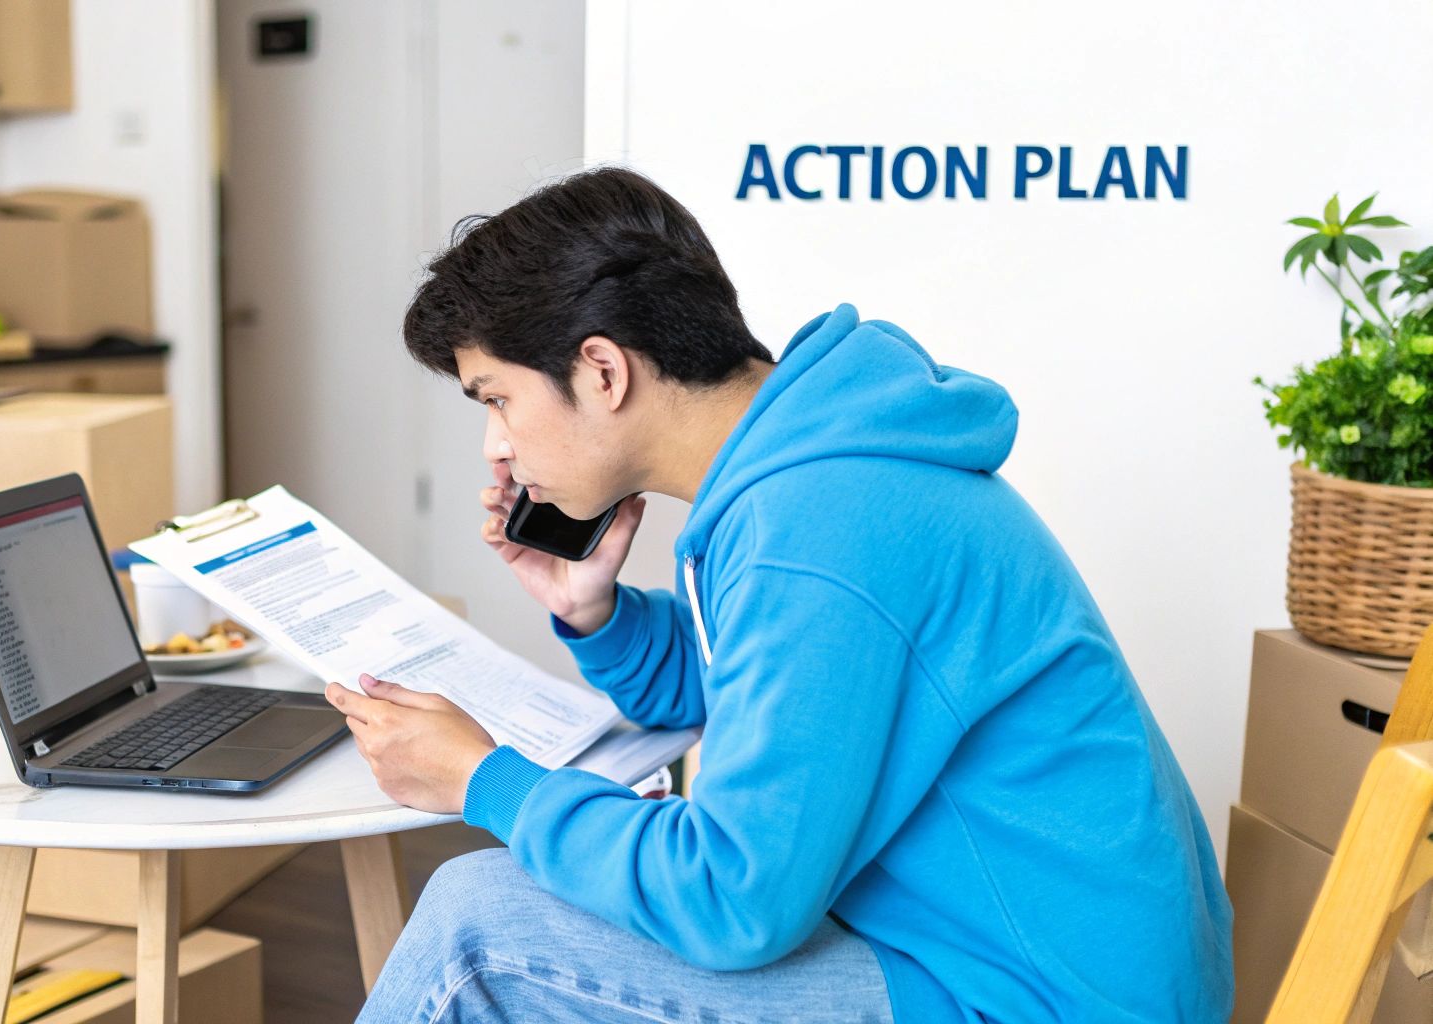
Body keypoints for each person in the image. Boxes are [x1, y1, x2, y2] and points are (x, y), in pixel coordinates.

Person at [321, 167, 1232, 1022]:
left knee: (477, 926)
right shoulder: (807, 470)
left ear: (603, 372)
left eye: (497, 399)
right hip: (1003, 960)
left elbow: (733, 899)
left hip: (1028, 999)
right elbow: (772, 690)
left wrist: (488, 781)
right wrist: (596, 612)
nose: (495, 446)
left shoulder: (818, 529)